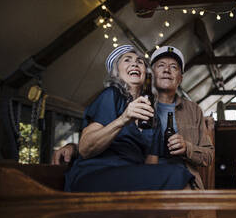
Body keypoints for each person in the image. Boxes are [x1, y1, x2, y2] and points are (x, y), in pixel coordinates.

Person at [53, 45, 214, 189]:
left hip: (141, 178)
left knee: (178, 175)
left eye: (139, 61)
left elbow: (150, 167)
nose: (135, 64)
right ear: (154, 74)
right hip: (98, 175)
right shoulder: (112, 96)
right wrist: (123, 118)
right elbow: (86, 147)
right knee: (177, 175)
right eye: (127, 60)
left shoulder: (158, 116)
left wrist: (187, 148)